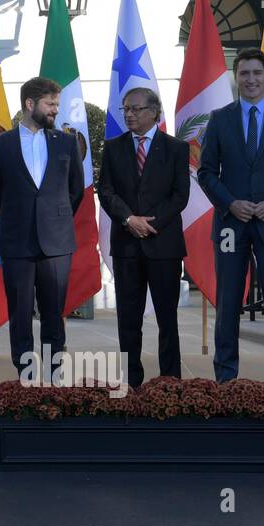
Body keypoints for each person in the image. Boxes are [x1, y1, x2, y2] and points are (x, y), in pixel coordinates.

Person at [197, 48, 264, 385]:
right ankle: (226, 378)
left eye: (257, 73)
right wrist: (230, 203)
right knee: (228, 305)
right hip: (232, 226)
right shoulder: (220, 118)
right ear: (236, 76)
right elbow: (206, 172)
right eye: (244, 73)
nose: (251, 80)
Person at [0, 77, 84, 378]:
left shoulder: (66, 142)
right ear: (30, 104)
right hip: (17, 245)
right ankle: (26, 380)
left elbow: (75, 191)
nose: (55, 110)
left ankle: (54, 376)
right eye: (50, 104)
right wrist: (19, 218)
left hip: (57, 245)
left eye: (57, 104)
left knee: (54, 316)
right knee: (20, 316)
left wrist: (53, 219)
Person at [97, 87, 190, 387]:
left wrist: (150, 224)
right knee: (128, 319)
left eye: (135, 109)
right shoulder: (113, 147)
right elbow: (106, 191)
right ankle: (131, 382)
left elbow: (180, 196)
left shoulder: (175, 148)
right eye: (126, 109)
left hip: (163, 245)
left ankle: (170, 382)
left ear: (154, 111)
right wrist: (128, 219)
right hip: (126, 246)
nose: (129, 115)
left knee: (167, 319)